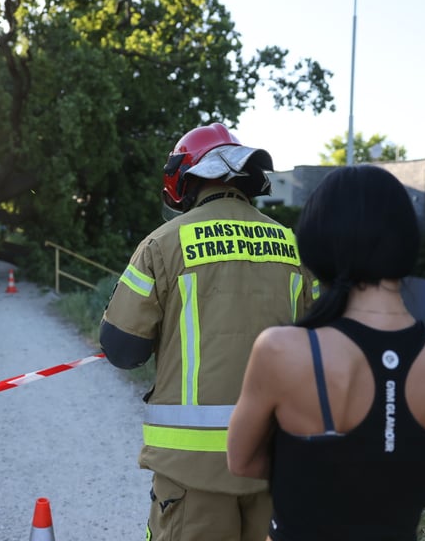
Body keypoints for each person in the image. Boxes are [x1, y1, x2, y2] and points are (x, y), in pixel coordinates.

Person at [226, 165, 425, 541]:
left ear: (318, 239)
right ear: (406, 238)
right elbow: (404, 463)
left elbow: (242, 461)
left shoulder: (286, 350)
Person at [99, 123, 319, 541]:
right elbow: (320, 343)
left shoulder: (163, 244)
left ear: (185, 178)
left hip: (192, 469)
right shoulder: (293, 246)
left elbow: (122, 348)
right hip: (275, 461)